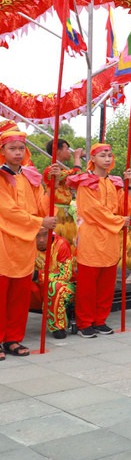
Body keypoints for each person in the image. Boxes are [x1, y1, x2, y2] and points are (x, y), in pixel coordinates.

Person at [0, 126, 57, 356]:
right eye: (12, 148)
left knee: (19, 295)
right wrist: (39, 222)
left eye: (21, 148)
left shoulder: (31, 177)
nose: (17, 152)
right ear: (2, 150)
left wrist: (51, 186)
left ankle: (13, 339)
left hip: (24, 245)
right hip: (3, 241)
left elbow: (41, 206)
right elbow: (7, 211)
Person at [68, 143, 131, 338]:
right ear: (92, 159)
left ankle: (100, 320)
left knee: (107, 281)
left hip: (111, 236)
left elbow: (124, 207)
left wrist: (129, 185)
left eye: (110, 155)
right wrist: (119, 221)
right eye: (103, 155)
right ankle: (84, 322)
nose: (108, 159)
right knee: (88, 284)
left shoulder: (115, 182)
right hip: (92, 235)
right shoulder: (86, 181)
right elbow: (91, 210)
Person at [29, 227, 76, 339]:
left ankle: (57, 327)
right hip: (35, 287)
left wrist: (37, 275)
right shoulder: (27, 244)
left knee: (55, 286)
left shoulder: (61, 244)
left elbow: (65, 275)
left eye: (45, 235)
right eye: (37, 235)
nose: (41, 240)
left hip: (64, 286)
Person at [42, 138, 84, 246]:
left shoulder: (66, 170)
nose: (70, 151)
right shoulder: (50, 170)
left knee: (69, 244)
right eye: (67, 149)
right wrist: (76, 157)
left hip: (67, 213)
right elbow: (77, 175)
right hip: (56, 213)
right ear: (59, 152)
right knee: (56, 244)